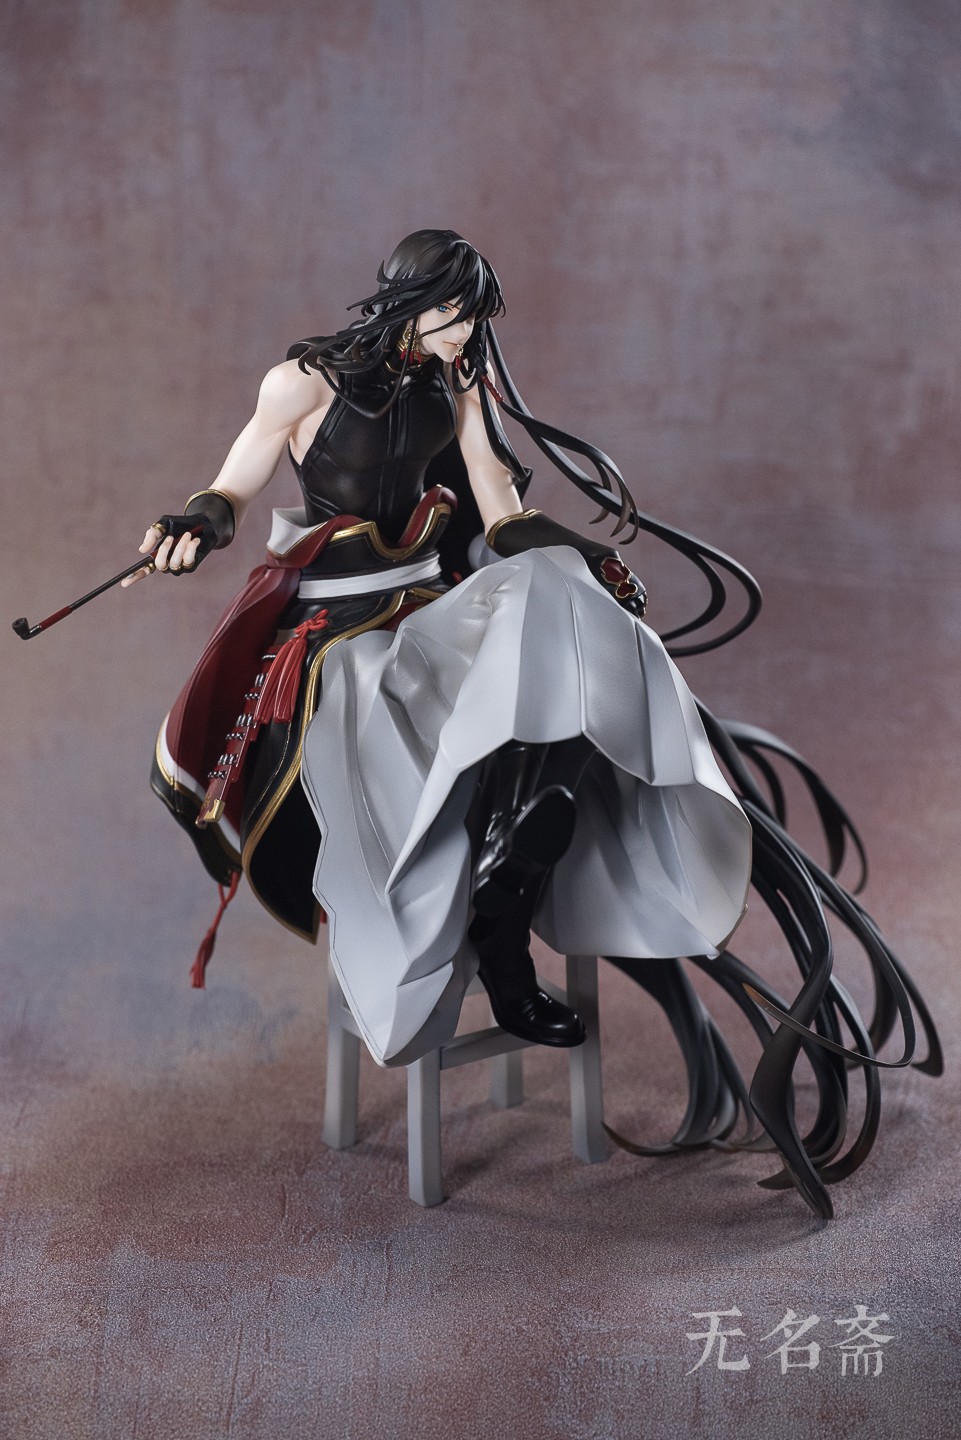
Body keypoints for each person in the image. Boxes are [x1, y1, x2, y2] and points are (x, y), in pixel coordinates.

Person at [129, 229, 939, 1219]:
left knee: (562, 612)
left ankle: (508, 883)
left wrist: (579, 552)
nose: (470, 335)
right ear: (419, 303)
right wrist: (193, 523)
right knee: (405, 692)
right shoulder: (303, 383)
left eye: (476, 320)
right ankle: (480, 903)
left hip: (428, 606)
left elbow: (498, 506)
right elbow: (236, 479)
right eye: (460, 316)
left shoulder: (457, 382)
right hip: (338, 635)